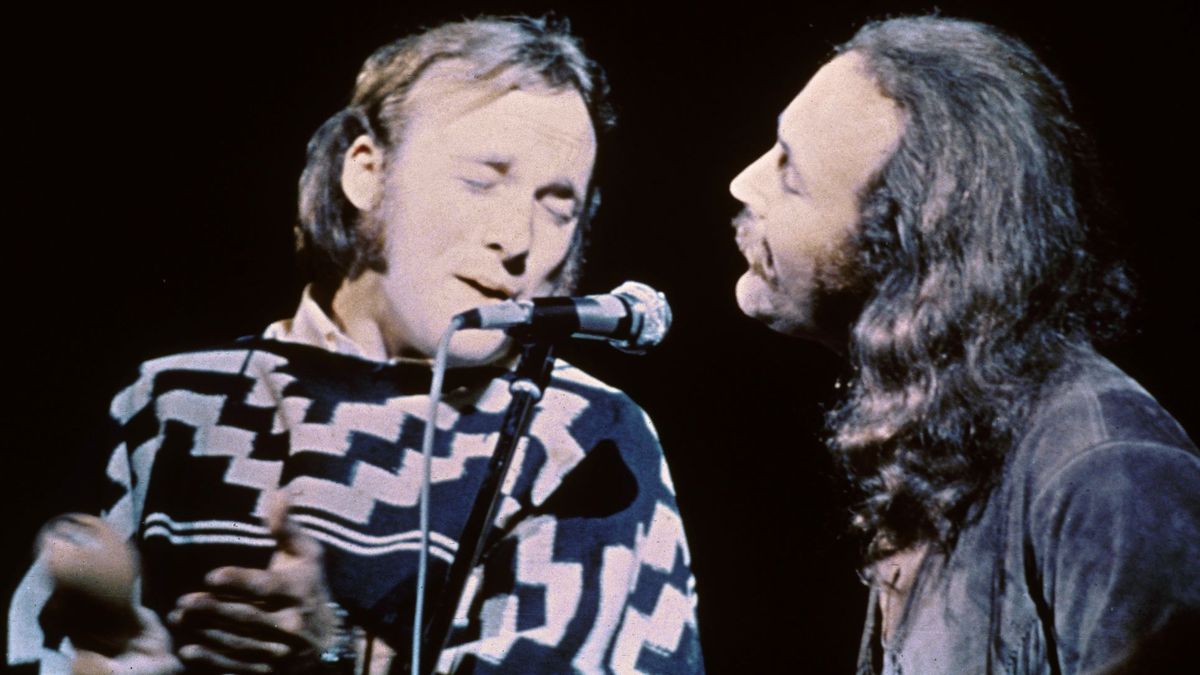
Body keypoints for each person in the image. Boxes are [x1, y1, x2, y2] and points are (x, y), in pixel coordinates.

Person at [9, 16, 703, 674]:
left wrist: (336, 654)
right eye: (481, 179)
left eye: (559, 207)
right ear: (367, 172)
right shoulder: (173, 403)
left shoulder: (588, 440)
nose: (517, 241)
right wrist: (124, 652)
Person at [729, 15, 1199, 674]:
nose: (743, 183)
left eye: (789, 172)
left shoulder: (1110, 470)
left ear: (906, 246)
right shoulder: (938, 448)